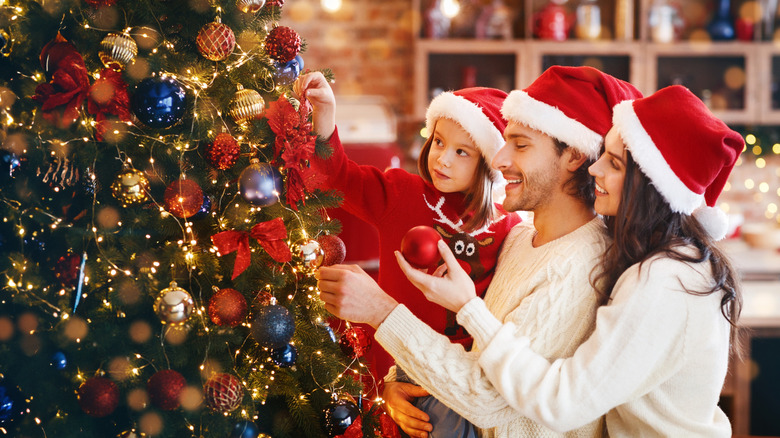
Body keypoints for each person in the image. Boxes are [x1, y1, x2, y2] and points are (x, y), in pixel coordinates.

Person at [390, 85, 744, 436]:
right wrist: (398, 379)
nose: (595, 168)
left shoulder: (663, 280)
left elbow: (562, 402)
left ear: (650, 185)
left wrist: (460, 307)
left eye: (615, 163)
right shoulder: (644, 259)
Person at [316, 66, 643, 437]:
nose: (499, 160)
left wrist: (381, 311)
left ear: (574, 157)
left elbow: (485, 398)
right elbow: (472, 358)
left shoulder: (575, 265)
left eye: (519, 145)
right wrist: (398, 383)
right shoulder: (521, 238)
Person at [294, 73, 522, 436]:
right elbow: (339, 178)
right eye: (439, 142)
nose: (442, 159)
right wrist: (326, 121)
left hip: (460, 382)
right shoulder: (402, 193)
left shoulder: (508, 228)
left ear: (489, 164)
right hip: (394, 371)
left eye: (461, 152)